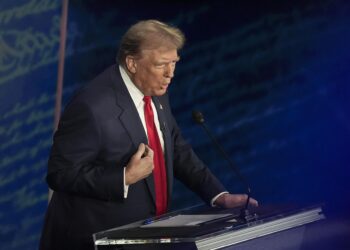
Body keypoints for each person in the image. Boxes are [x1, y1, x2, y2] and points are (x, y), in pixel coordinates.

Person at [39, 19, 258, 250]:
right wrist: (123, 177)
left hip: (149, 237)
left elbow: (174, 147)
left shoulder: (154, 88)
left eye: (174, 63)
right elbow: (60, 173)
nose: (170, 74)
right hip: (96, 242)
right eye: (162, 65)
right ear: (132, 63)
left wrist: (218, 195)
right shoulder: (91, 106)